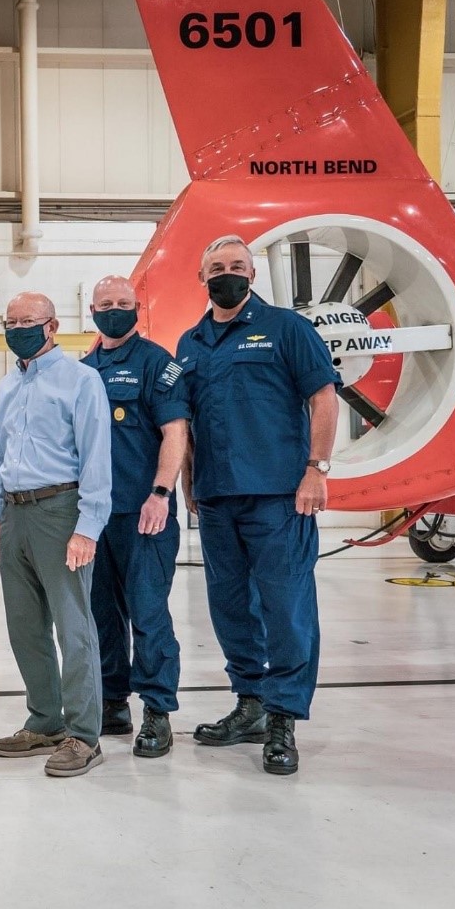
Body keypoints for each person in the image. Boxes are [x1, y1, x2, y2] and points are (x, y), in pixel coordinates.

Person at [176, 235, 340, 776]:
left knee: (286, 607)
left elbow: (323, 396)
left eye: (237, 266)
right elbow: (184, 421)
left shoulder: (288, 329)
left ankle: (283, 718)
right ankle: (248, 702)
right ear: (202, 278)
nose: (228, 273)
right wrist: (189, 481)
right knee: (229, 606)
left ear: (252, 274)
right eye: (217, 266)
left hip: (280, 495)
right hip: (219, 497)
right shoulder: (190, 344)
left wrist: (316, 469)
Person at [0, 292, 112, 778]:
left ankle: (83, 735)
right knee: (25, 626)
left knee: (73, 626)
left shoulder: (82, 380)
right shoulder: (6, 386)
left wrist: (87, 528)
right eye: (10, 321)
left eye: (28, 321)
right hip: (15, 514)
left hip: (61, 510)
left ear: (52, 326)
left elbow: (97, 459)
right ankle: (45, 721)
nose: (17, 328)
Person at [81, 275, 189, 758]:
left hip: (144, 514)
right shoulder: (82, 370)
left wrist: (161, 492)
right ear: (92, 311)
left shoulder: (157, 364)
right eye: (106, 304)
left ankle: (158, 711)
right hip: (94, 517)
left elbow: (174, 431)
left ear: (137, 308)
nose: (115, 310)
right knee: (101, 615)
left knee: (147, 613)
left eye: (124, 303)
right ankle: (112, 702)